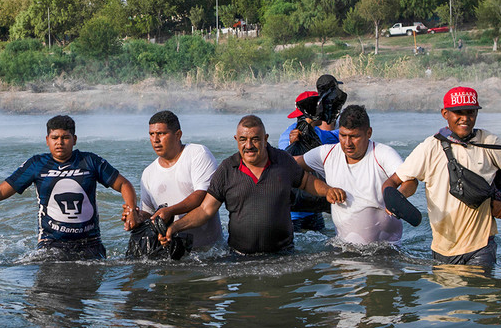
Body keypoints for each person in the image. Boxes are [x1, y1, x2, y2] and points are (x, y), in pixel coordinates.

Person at [0, 114, 138, 260]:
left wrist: (131, 209)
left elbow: (123, 184)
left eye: (65, 138)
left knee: (83, 298)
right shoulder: (36, 164)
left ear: (74, 139)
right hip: (51, 244)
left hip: (91, 243)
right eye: (55, 137)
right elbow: (2, 190)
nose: (60, 142)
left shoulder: (90, 161)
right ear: (47, 139)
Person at [383, 87, 501, 268]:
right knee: (447, 295)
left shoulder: (489, 142)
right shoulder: (430, 147)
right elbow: (395, 181)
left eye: (471, 112)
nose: (465, 118)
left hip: (481, 246)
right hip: (442, 247)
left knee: (481, 293)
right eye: (458, 112)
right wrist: (394, 199)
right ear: (445, 113)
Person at [163, 115, 344, 255]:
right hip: (239, 257)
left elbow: (306, 181)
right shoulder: (227, 169)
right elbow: (205, 210)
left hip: (283, 255)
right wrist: (175, 227)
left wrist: (327, 191)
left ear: (265, 138)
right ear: (236, 139)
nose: (249, 145)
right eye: (243, 139)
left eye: (255, 139)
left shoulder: (282, 161)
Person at [295, 105, 405, 245]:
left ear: (369, 133)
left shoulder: (383, 154)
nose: (347, 143)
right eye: (343, 135)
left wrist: (398, 199)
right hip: (344, 248)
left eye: (354, 137)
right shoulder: (327, 154)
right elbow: (291, 164)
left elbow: (409, 180)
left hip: (386, 250)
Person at [132, 110, 222, 252]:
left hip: (210, 252)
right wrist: (136, 217)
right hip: (171, 252)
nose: (155, 140)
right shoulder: (148, 173)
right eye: (151, 134)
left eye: (161, 134)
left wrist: (170, 211)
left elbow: (202, 196)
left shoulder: (197, 154)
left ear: (178, 135)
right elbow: (149, 215)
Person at [279, 90, 340, 232]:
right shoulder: (288, 136)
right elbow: (285, 161)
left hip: (314, 210)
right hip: (295, 214)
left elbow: (339, 135)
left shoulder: (317, 133)